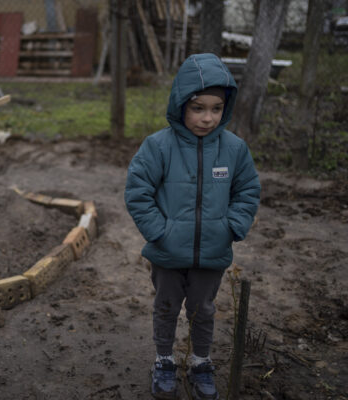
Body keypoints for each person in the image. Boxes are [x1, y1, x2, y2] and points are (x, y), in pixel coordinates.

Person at [124, 53, 261, 400]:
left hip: (212, 255)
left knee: (204, 311)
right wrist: (160, 233)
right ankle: (165, 360)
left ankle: (200, 363)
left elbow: (248, 190)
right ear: (180, 103)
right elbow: (138, 192)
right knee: (166, 308)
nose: (207, 118)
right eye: (198, 107)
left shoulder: (234, 149)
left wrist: (231, 227)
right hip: (167, 255)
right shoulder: (158, 146)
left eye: (216, 109)